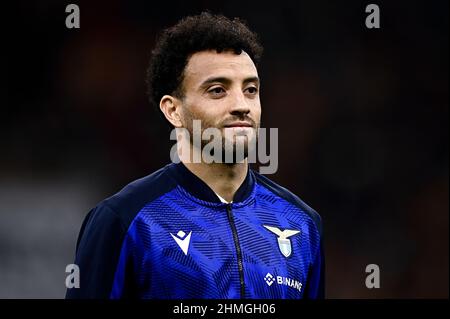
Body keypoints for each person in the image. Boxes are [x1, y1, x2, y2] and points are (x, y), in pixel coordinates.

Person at [66, 12, 324, 299]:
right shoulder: (126, 220)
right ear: (173, 110)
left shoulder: (301, 223)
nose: (242, 105)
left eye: (251, 90)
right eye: (217, 90)